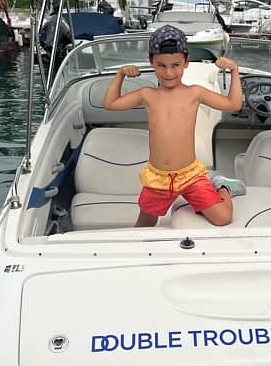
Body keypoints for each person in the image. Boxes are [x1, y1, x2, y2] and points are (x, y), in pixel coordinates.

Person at [103, 24, 246, 227]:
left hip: (190, 176)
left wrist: (234, 70)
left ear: (186, 62)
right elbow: (111, 103)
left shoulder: (195, 93)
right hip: (158, 179)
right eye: (161, 65)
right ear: (151, 62)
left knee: (223, 218)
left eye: (176, 65)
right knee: (143, 227)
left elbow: (233, 104)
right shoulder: (147, 94)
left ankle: (223, 186)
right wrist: (120, 75)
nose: (169, 72)